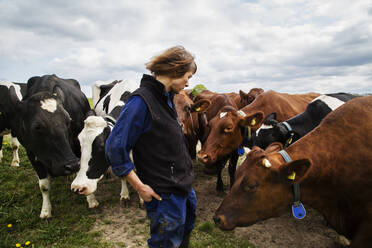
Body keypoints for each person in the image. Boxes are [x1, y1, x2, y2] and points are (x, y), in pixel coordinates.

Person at [105, 46, 197, 248]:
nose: (188, 83)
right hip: (163, 192)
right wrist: (139, 187)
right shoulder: (141, 101)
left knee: (183, 234)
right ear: (175, 70)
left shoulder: (166, 99)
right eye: (187, 76)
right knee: (165, 242)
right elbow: (115, 147)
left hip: (182, 185)